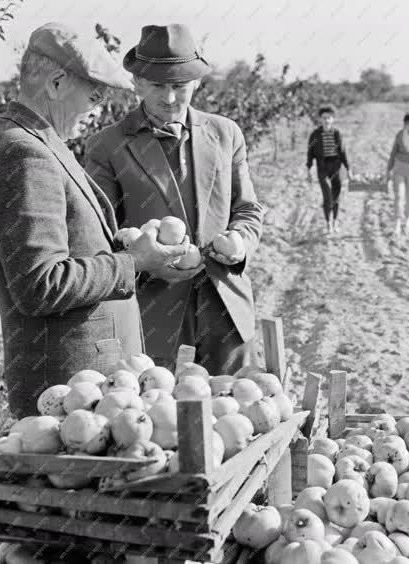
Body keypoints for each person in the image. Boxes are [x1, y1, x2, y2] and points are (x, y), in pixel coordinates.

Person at [0, 23, 188, 419]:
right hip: (67, 394)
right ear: (57, 82)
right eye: (95, 94)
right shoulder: (24, 153)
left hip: (88, 387)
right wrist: (134, 263)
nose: (100, 106)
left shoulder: (43, 143)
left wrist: (125, 248)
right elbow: (39, 284)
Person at [86, 24, 264, 376]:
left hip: (225, 304)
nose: (169, 98)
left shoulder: (226, 134)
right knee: (161, 415)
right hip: (153, 311)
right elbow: (99, 229)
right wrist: (142, 255)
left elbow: (247, 209)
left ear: (195, 83)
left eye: (179, 87)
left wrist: (240, 243)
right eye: (157, 86)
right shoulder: (107, 146)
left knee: (237, 412)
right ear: (136, 83)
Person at [306, 105, 352, 234]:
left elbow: (343, 152)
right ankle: (328, 224)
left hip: (336, 166)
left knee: (336, 197)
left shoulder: (337, 134)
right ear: (320, 119)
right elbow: (310, 153)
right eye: (324, 118)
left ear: (333, 119)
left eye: (329, 118)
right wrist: (309, 169)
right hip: (322, 168)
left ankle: (335, 221)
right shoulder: (315, 135)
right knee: (327, 196)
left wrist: (348, 169)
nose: (326, 120)